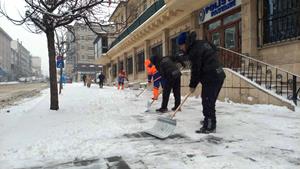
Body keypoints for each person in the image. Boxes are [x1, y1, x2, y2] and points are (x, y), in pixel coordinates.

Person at [177, 31, 226, 134]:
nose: (181, 48)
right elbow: (215, 49)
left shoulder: (194, 50)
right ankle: (209, 120)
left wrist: (192, 85)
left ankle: (210, 126)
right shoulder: (201, 43)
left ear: (186, 43)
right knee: (209, 101)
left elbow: (196, 69)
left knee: (207, 102)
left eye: (181, 45)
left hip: (212, 76)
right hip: (218, 74)